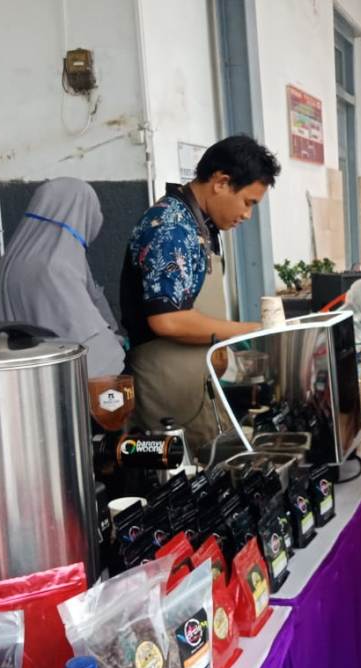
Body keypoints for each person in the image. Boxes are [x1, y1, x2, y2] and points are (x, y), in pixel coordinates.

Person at [120, 135, 280, 451]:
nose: (247, 215)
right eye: (248, 202)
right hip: (166, 382)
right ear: (221, 182)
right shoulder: (171, 227)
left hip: (194, 379)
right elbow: (169, 321)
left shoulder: (197, 226)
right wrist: (252, 331)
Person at [0, 177, 126, 378]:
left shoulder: (12, 259)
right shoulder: (54, 267)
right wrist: (118, 348)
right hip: (53, 385)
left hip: (13, 378)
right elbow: (88, 341)